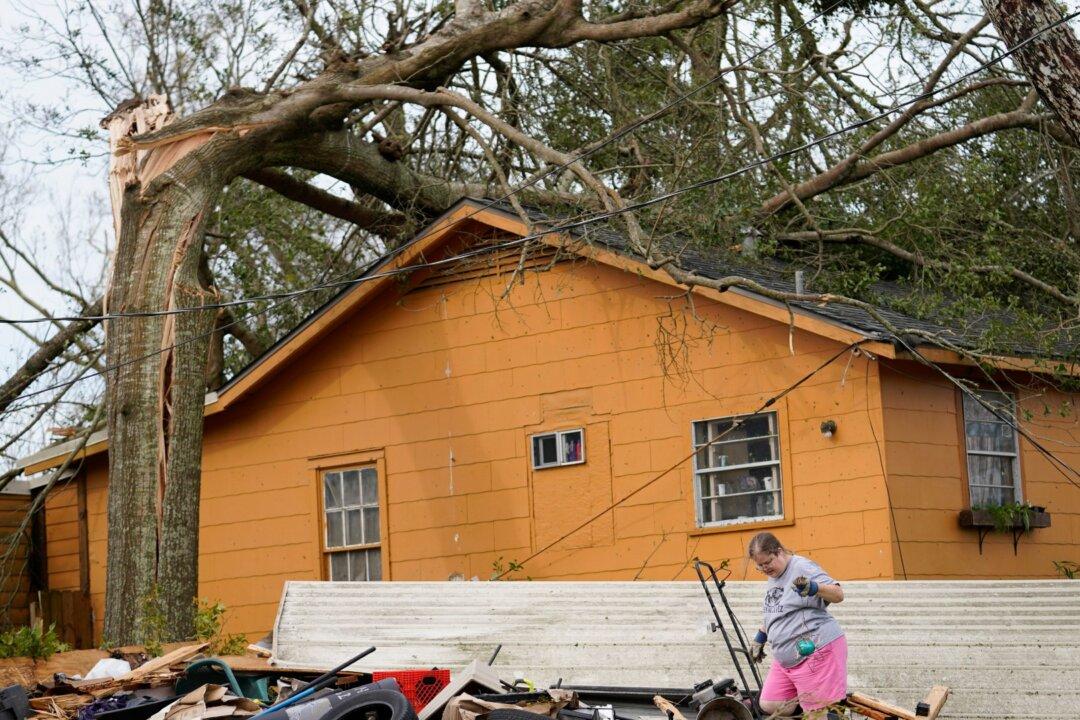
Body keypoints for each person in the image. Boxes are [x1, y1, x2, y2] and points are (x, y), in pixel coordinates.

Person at [746, 531, 847, 717]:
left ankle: (828, 711)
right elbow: (777, 611)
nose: (765, 569)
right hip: (788, 659)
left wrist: (814, 587)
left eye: (767, 562)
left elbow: (838, 594)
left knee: (820, 713)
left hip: (815, 650)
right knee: (771, 703)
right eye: (760, 566)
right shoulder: (775, 575)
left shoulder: (801, 567)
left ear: (778, 551)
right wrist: (760, 638)